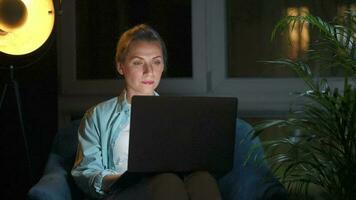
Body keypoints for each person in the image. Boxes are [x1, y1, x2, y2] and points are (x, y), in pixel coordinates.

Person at [71, 24, 222, 200]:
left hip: (173, 187)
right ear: (121, 67)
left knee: (202, 179)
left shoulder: (178, 114)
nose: (149, 71)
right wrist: (122, 179)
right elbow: (85, 173)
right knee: (167, 182)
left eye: (156, 62)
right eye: (138, 62)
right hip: (123, 192)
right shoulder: (97, 116)